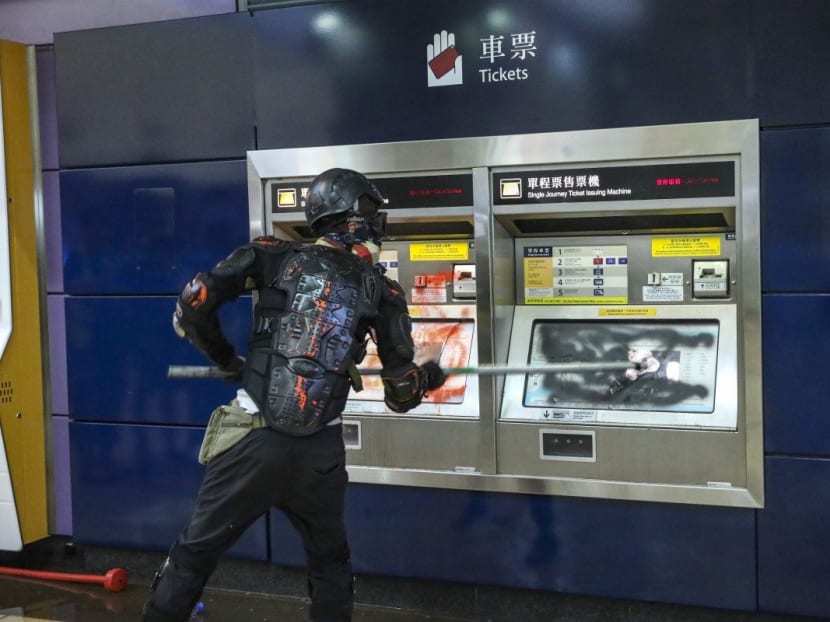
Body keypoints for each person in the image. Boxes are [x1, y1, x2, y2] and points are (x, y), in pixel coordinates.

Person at [142, 168, 446, 622]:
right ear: (350, 215)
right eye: (370, 212)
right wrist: (431, 374)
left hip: (252, 439)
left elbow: (192, 307)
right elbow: (401, 395)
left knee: (195, 552)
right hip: (319, 454)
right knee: (329, 562)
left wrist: (228, 362)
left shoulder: (270, 255)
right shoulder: (383, 290)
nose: (377, 223)